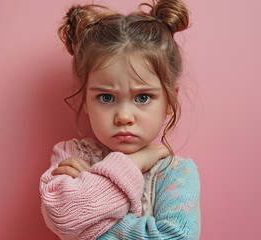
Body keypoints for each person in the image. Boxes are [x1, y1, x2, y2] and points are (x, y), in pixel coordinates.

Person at [39, 0, 201, 239]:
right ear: (84, 99)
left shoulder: (176, 173)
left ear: (169, 99)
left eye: (143, 97)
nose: (124, 117)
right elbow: (61, 215)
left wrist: (85, 226)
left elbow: (176, 237)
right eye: (106, 97)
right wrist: (133, 163)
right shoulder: (71, 156)